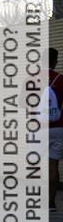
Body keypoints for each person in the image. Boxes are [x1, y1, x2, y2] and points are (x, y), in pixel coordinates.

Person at [48, 47, 63, 210]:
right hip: (58, 127)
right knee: (53, 165)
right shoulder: (61, 79)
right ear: (56, 61)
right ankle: (50, 202)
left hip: (37, 128)